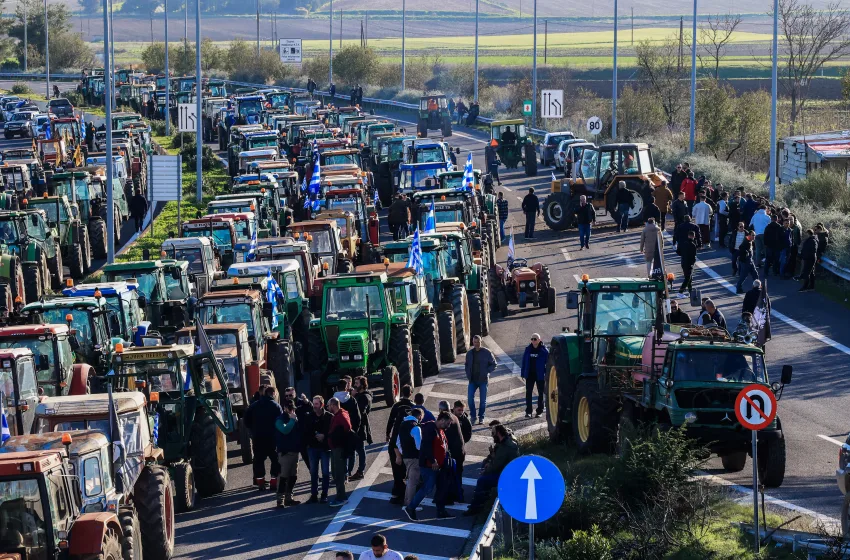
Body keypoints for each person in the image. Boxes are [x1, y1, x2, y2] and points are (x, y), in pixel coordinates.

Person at [404, 412, 454, 521]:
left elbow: (443, 446)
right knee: (428, 487)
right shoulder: (430, 429)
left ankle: (441, 511)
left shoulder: (440, 430)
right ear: (442, 420)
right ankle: (411, 507)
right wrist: (433, 461)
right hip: (429, 466)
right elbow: (425, 446)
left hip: (439, 465)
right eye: (448, 423)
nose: (449, 426)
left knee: (441, 487)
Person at [464, 424, 519, 515]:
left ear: (498, 433)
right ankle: (481, 499)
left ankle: (476, 507)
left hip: (505, 475)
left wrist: (486, 470)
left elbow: (497, 465)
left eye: (493, 434)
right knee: (484, 467)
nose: (492, 436)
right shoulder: (504, 443)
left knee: (482, 481)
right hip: (503, 471)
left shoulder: (506, 447)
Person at [244, 386, 283, 491]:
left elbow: (246, 421)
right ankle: (274, 482)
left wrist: (253, 430)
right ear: (273, 394)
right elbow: (281, 421)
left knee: (258, 460)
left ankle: (260, 483)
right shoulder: (276, 406)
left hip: (258, 438)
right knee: (275, 460)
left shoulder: (254, 406)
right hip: (272, 438)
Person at [386, 385, 415, 504]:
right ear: (411, 393)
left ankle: (398, 492)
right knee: (405, 470)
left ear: (402, 393)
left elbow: (390, 420)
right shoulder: (413, 407)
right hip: (406, 444)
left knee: (396, 469)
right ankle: (403, 492)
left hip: (395, 444)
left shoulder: (396, 406)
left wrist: (387, 433)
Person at [303, 395, 332, 503]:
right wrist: (314, 437)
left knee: (325, 473)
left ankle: (324, 494)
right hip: (313, 448)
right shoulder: (309, 417)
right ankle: (314, 495)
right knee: (314, 473)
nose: (314, 406)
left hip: (325, 448)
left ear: (322, 405)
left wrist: (324, 436)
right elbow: (306, 432)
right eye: (314, 403)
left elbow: (332, 432)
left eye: (316, 404)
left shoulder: (329, 417)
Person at [332, 379, 362, 481]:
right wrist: (354, 430)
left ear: (337, 388)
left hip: (337, 433)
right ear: (346, 387)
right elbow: (358, 417)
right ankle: (349, 472)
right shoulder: (352, 399)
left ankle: (342, 473)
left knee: (340, 453)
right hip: (350, 430)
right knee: (351, 452)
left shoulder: (333, 401)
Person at [274, 398, 302, 508]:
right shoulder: (279, 419)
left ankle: (289, 498)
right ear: (285, 408)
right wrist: (292, 420)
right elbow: (284, 430)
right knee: (283, 478)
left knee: (293, 477)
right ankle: (280, 500)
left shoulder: (295, 419)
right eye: (290, 409)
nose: (292, 411)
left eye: (293, 409)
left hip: (295, 452)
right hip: (285, 453)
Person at [327, 397, 352, 507]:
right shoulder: (339, 414)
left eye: (329, 405)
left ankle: (341, 497)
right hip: (335, 448)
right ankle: (340, 496)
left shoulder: (341, 415)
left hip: (339, 448)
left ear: (333, 405)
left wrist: (339, 437)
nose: (328, 407)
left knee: (339, 473)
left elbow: (348, 427)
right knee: (335, 472)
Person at [439, 400, 466, 503]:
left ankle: (452, 497)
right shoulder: (454, 417)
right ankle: (458, 495)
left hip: (454, 452)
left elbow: (444, 437)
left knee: (450, 475)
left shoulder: (448, 420)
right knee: (457, 474)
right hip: (460, 450)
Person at [465, 335, 496, 425]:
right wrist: (468, 374)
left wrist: (486, 371)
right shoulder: (469, 353)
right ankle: (473, 416)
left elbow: (494, 364)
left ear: (481, 342)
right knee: (470, 398)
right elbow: (466, 365)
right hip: (472, 380)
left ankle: (481, 417)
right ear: (473, 342)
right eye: (475, 342)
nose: (476, 344)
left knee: (483, 401)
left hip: (483, 380)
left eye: (478, 342)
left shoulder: (487, 352)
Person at [396, 408, 423, 507]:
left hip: (406, 457)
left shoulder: (402, 424)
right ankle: (410, 505)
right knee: (413, 482)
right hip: (415, 458)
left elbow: (397, 442)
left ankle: (407, 502)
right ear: (419, 416)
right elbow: (419, 446)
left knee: (409, 481)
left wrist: (404, 452)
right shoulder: (416, 427)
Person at [349, 376, 372, 481]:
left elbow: (360, 411)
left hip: (360, 427)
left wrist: (353, 397)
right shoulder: (361, 395)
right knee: (356, 449)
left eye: (357, 383)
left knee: (360, 450)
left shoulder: (365, 397)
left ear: (362, 385)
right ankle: (351, 470)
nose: (355, 385)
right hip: (357, 426)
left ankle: (360, 471)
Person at [521, 334, 548, 418]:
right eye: (532, 339)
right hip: (530, 375)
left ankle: (539, 411)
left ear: (539, 340)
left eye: (535, 339)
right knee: (528, 393)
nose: (533, 341)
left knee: (541, 394)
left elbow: (548, 363)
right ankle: (528, 411)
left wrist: (547, 374)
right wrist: (523, 373)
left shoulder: (544, 350)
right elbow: (524, 362)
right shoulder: (528, 349)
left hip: (540, 375)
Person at [678, 230, 697, 294]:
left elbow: (678, 252)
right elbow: (694, 256)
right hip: (689, 263)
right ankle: (680, 292)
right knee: (687, 278)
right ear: (693, 236)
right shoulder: (693, 245)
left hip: (683, 262)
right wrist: (693, 262)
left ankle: (690, 292)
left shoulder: (683, 243)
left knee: (689, 278)